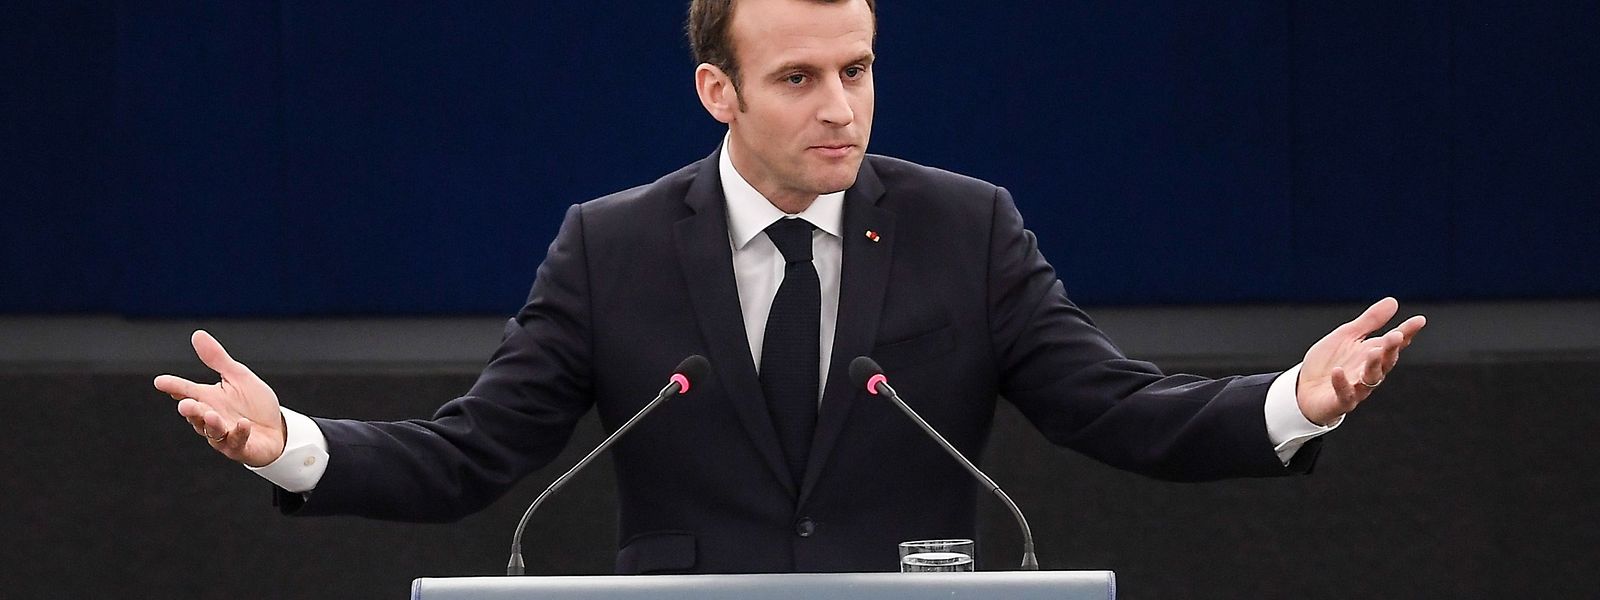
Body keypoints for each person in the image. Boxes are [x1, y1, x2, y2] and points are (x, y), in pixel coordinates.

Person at [155, 0, 1426, 574]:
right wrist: (292, 444)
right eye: (800, 78)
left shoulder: (965, 228)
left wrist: (1294, 401)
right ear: (718, 90)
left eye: (857, 70)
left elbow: (1119, 411)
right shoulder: (612, 247)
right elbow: (471, 456)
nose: (841, 108)